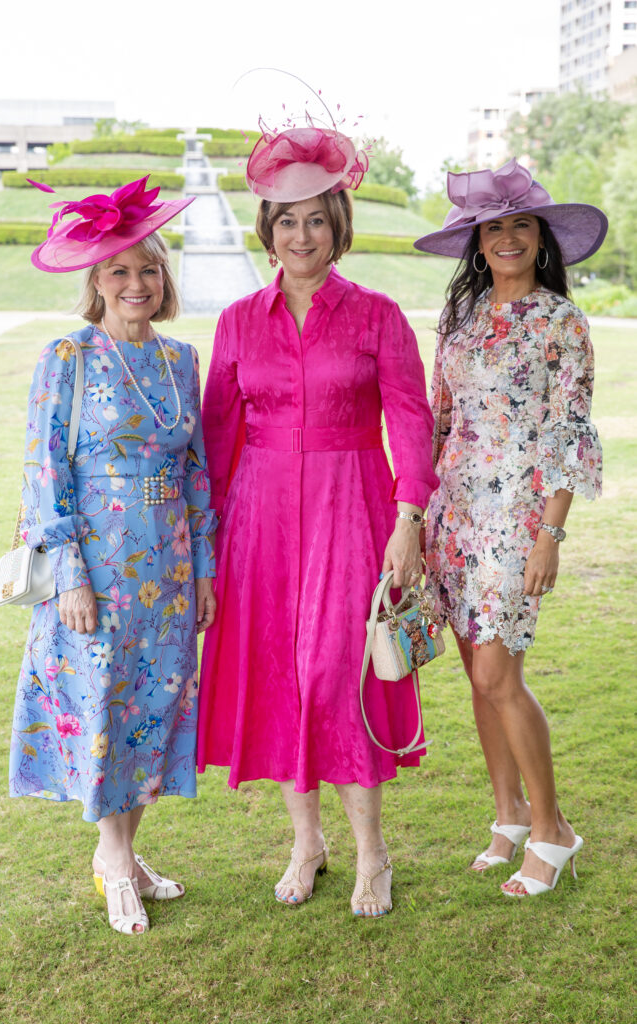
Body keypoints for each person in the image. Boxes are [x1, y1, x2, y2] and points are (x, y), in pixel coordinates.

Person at [197, 120, 438, 917]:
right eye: (286, 218)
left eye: (316, 218)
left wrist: (409, 518)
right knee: (280, 677)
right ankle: (306, 843)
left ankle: (373, 854)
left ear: (338, 227)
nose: (301, 234)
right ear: (267, 228)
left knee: (338, 672)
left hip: (352, 506)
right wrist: (209, 545)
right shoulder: (237, 321)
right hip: (258, 521)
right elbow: (217, 441)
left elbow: (408, 417)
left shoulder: (376, 316)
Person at [9, 176, 217, 933]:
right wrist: (67, 572)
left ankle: (127, 855)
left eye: (149, 269)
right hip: (93, 568)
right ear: (95, 283)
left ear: (164, 281)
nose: (137, 283)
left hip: (165, 568)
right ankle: (110, 861)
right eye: (120, 271)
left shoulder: (181, 359)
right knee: (101, 705)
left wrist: (203, 572)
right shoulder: (67, 355)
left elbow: (199, 471)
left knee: (148, 709)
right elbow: (43, 469)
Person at [414, 159, 607, 897]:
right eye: (492, 228)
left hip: (516, 518)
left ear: (539, 237)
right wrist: (416, 518)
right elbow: (438, 420)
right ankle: (508, 816)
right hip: (454, 513)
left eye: (518, 225)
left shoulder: (560, 321)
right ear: (477, 242)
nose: (506, 238)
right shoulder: (458, 320)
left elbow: (567, 432)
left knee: (500, 674)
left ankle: (554, 829)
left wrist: (549, 535)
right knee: (476, 676)